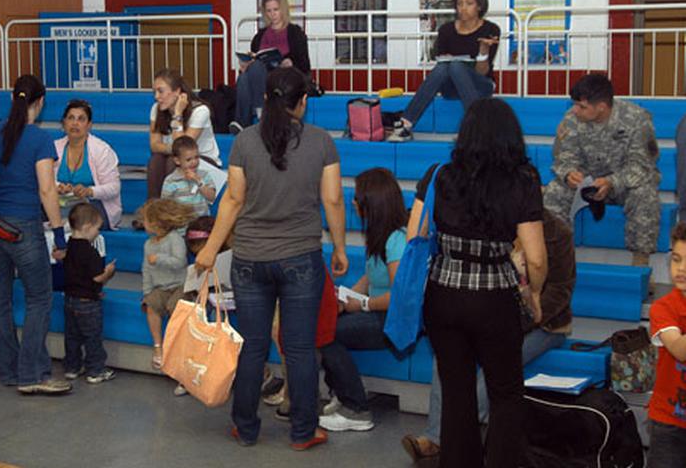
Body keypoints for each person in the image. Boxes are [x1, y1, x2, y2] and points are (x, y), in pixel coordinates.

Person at [195, 67, 348, 450]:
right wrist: (341, 248)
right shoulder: (321, 142)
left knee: (252, 346)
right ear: (304, 102)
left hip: (249, 258)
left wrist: (211, 247)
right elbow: (332, 200)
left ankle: (245, 427)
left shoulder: (244, 141)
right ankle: (303, 431)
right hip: (301, 257)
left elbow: (232, 199)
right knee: (298, 349)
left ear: (264, 98)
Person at [410, 98, 547, 468]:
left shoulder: (439, 174)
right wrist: (533, 293)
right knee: (505, 395)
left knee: (457, 396)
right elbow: (534, 256)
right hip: (494, 298)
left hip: (443, 294)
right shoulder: (523, 180)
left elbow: (415, 234)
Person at [402, 210, 576, 462]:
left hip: (545, 325)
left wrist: (523, 319)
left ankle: (457, 440)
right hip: (494, 316)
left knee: (491, 372)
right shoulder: (495, 225)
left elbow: (561, 290)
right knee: (446, 359)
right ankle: (435, 438)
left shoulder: (558, 234)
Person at [0, 74, 72, 395]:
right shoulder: (39, 139)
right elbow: (47, 190)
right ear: (41, 102)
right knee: (39, 299)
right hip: (25, 227)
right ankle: (32, 374)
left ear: (12, 98)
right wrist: (60, 234)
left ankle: (8, 371)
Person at [317, 168, 407, 432]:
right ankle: (341, 394)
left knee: (326, 334)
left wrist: (362, 304)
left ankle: (357, 408)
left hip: (392, 320)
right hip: (377, 313)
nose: (353, 203)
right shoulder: (380, 235)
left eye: (357, 198)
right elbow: (368, 280)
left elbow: (398, 297)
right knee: (324, 322)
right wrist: (344, 298)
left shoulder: (396, 240)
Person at [543, 73, 660, 267]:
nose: (575, 110)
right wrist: (569, 174)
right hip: (586, 186)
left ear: (602, 107)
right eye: (575, 104)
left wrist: (612, 182)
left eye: (582, 106)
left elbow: (642, 166)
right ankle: (556, 263)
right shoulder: (572, 118)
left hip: (623, 186)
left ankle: (641, 265)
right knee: (555, 191)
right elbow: (563, 158)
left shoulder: (637, 119)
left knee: (644, 194)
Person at [390, 0, 500, 142]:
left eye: (469, 3)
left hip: (481, 85)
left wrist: (483, 51)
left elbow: (482, 73)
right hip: (452, 87)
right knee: (444, 67)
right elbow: (442, 60)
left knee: (455, 66)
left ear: (479, 6)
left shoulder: (491, 29)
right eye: (460, 4)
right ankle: (405, 125)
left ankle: (476, 128)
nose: (463, 8)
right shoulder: (446, 30)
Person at [231, 0, 311, 132]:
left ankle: (252, 119)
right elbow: (255, 57)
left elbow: (305, 65)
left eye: (276, 9)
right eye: (268, 11)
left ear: (283, 9)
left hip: (286, 77)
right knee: (244, 76)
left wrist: (291, 62)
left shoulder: (295, 32)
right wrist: (246, 65)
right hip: (262, 78)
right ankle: (247, 121)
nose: (272, 14)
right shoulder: (259, 36)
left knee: (252, 71)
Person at [139, 198, 195, 390]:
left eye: (146, 220)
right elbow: (145, 268)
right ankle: (158, 346)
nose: (143, 224)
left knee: (175, 306)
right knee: (151, 304)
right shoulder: (148, 244)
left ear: (157, 223)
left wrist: (160, 259)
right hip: (160, 287)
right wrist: (147, 291)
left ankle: (179, 354)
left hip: (179, 285)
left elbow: (180, 262)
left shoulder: (175, 240)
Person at [62, 202, 117, 384]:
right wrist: (109, 271)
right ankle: (96, 370)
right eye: (97, 228)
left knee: (72, 337)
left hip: (70, 300)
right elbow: (97, 278)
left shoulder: (69, 246)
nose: (98, 233)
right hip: (87, 304)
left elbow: (78, 275)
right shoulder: (90, 251)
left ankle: (72, 367)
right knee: (92, 337)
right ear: (87, 227)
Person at [147, 69, 222, 199]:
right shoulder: (156, 109)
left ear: (177, 91)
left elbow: (183, 148)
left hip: (201, 159)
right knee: (156, 161)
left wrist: (177, 115)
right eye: (154, 92)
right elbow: (154, 145)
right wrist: (173, 150)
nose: (156, 97)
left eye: (161, 91)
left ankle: (176, 213)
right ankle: (155, 211)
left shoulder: (200, 111)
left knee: (173, 161)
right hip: (177, 157)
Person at [647, 222, 686, 467]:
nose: (681, 268)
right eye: (676, 259)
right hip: (668, 424)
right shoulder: (663, 308)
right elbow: (680, 350)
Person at [54, 99, 122, 230]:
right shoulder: (54, 147)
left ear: (89, 125)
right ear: (64, 122)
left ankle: (64, 230)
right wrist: (58, 187)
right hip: (62, 203)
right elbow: (46, 181)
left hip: (94, 205)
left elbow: (114, 188)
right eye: (71, 118)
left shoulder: (102, 150)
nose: (75, 123)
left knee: (80, 217)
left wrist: (90, 191)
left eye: (81, 119)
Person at [161, 136, 216, 217]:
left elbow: (212, 197)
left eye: (196, 157)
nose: (194, 162)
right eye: (188, 159)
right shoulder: (171, 180)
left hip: (201, 221)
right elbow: (165, 205)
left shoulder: (204, 175)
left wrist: (199, 181)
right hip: (180, 223)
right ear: (177, 161)